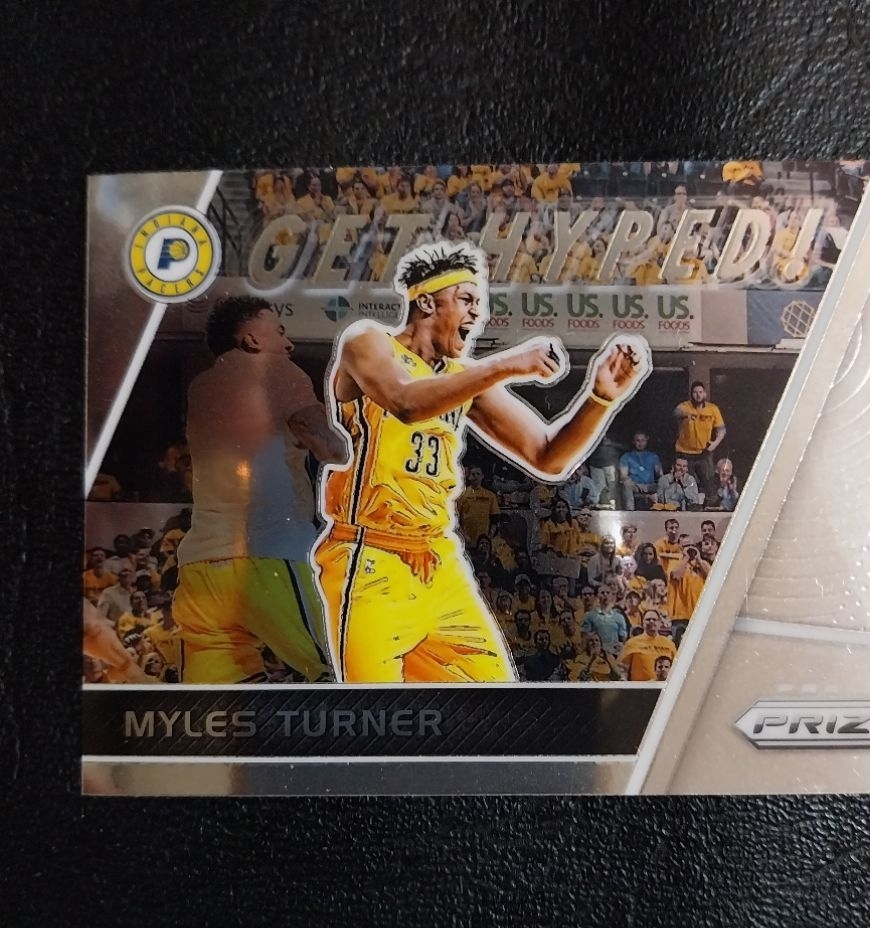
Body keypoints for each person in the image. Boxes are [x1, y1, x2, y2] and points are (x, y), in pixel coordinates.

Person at [313, 243, 650, 683]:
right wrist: (506, 364)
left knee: (496, 703)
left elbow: (547, 456)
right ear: (427, 302)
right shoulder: (368, 341)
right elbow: (405, 402)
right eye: (467, 299)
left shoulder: (460, 377)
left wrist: (599, 399)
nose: (477, 312)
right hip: (371, 556)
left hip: (438, 558)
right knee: (378, 714)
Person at [173, 296, 347, 684]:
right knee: (343, 670)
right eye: (279, 332)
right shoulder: (276, 370)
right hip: (270, 554)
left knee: (219, 701)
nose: (289, 344)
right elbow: (333, 448)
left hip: (201, 567)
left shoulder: (201, 386)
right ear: (252, 340)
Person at [673, 382, 725, 494]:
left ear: (705, 393)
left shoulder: (713, 409)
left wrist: (714, 444)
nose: (698, 395)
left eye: (700, 392)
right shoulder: (684, 406)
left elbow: (721, 430)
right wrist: (686, 414)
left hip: (704, 452)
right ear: (691, 394)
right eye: (695, 392)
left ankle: (708, 503)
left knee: (709, 483)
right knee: (687, 484)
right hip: (685, 453)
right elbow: (676, 412)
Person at [619, 610, 678, 681]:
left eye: (654, 619)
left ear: (659, 623)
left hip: (663, 685)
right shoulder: (632, 643)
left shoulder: (669, 644)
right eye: (648, 619)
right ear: (642, 622)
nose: (651, 621)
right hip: (640, 686)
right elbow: (623, 668)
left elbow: (676, 668)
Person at [618, 432, 662, 511]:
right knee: (626, 483)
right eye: (638, 440)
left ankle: (663, 509)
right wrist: (637, 485)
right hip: (635, 486)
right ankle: (630, 511)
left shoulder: (653, 456)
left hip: (650, 485)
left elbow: (660, 473)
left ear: (646, 441)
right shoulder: (626, 456)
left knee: (664, 482)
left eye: (643, 440)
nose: (640, 443)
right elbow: (623, 476)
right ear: (633, 442)